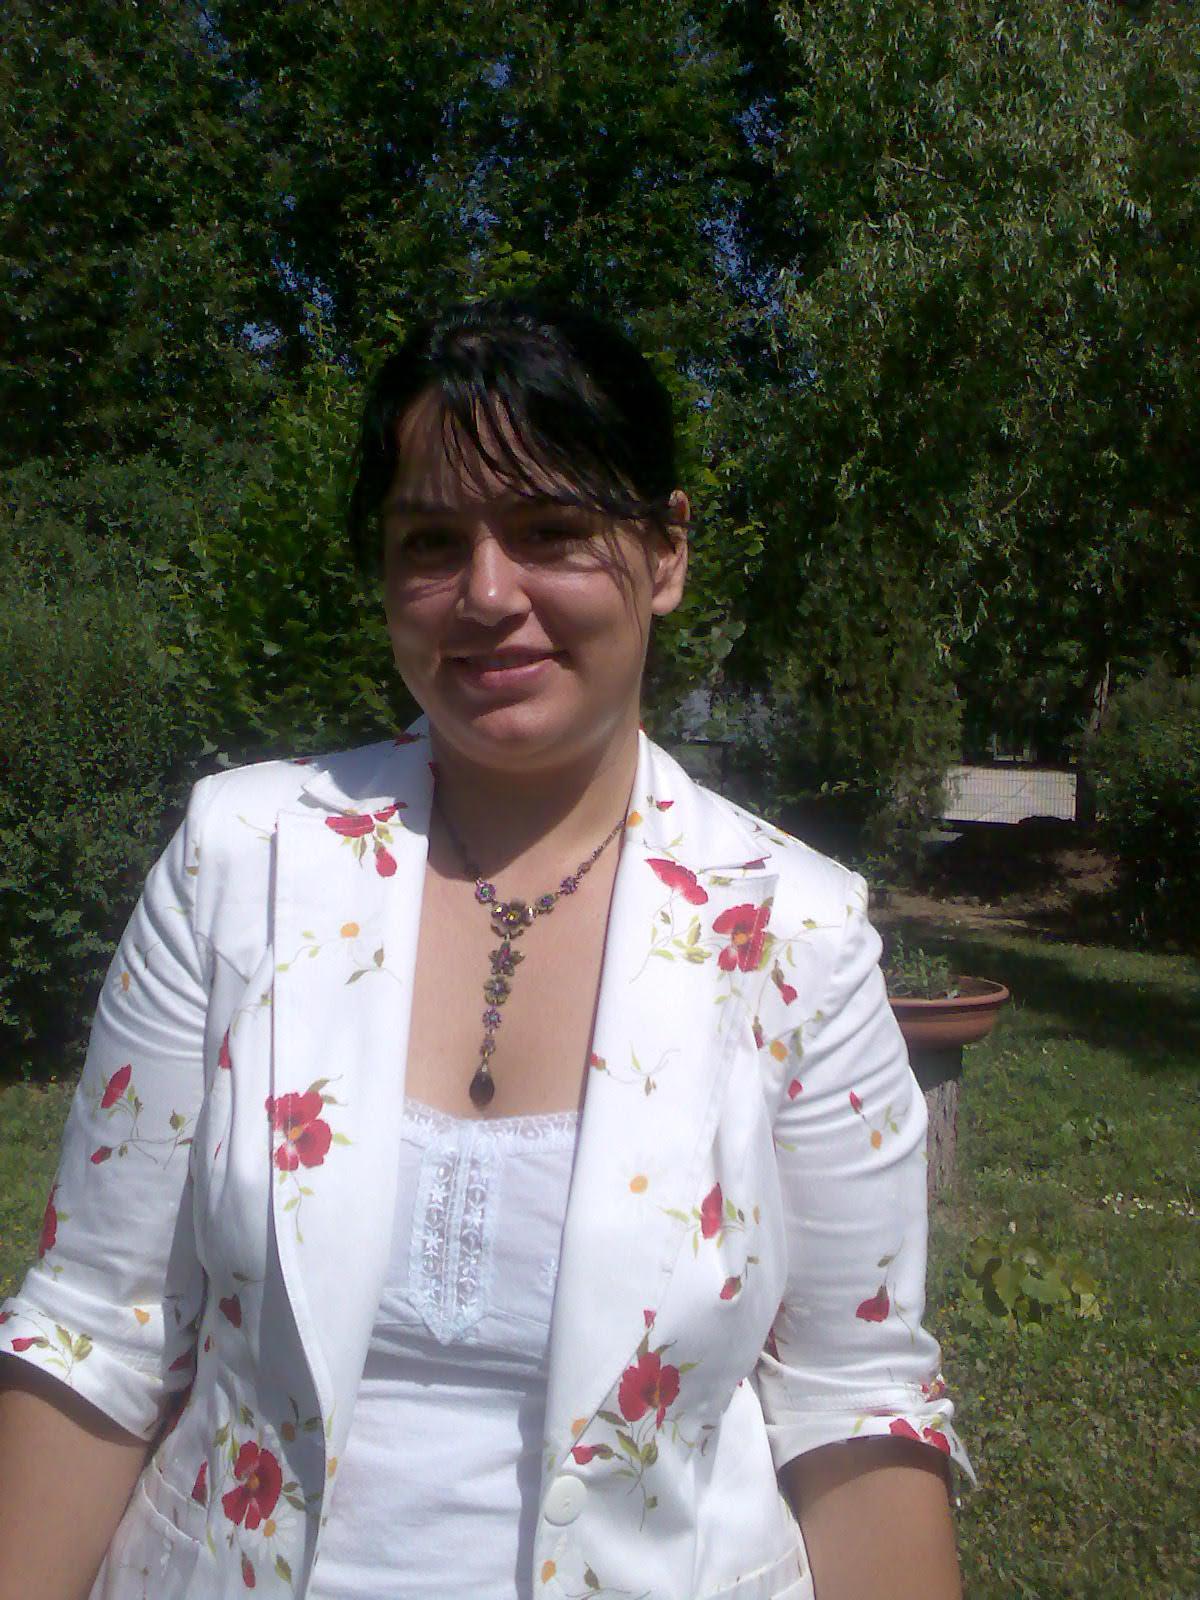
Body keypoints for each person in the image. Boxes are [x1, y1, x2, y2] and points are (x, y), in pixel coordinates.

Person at [0, 297, 975, 1600]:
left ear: (666, 554)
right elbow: (93, 1328)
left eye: (552, 530)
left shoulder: (796, 933)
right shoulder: (239, 862)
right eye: (431, 540)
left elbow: (857, 1399)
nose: (489, 593)